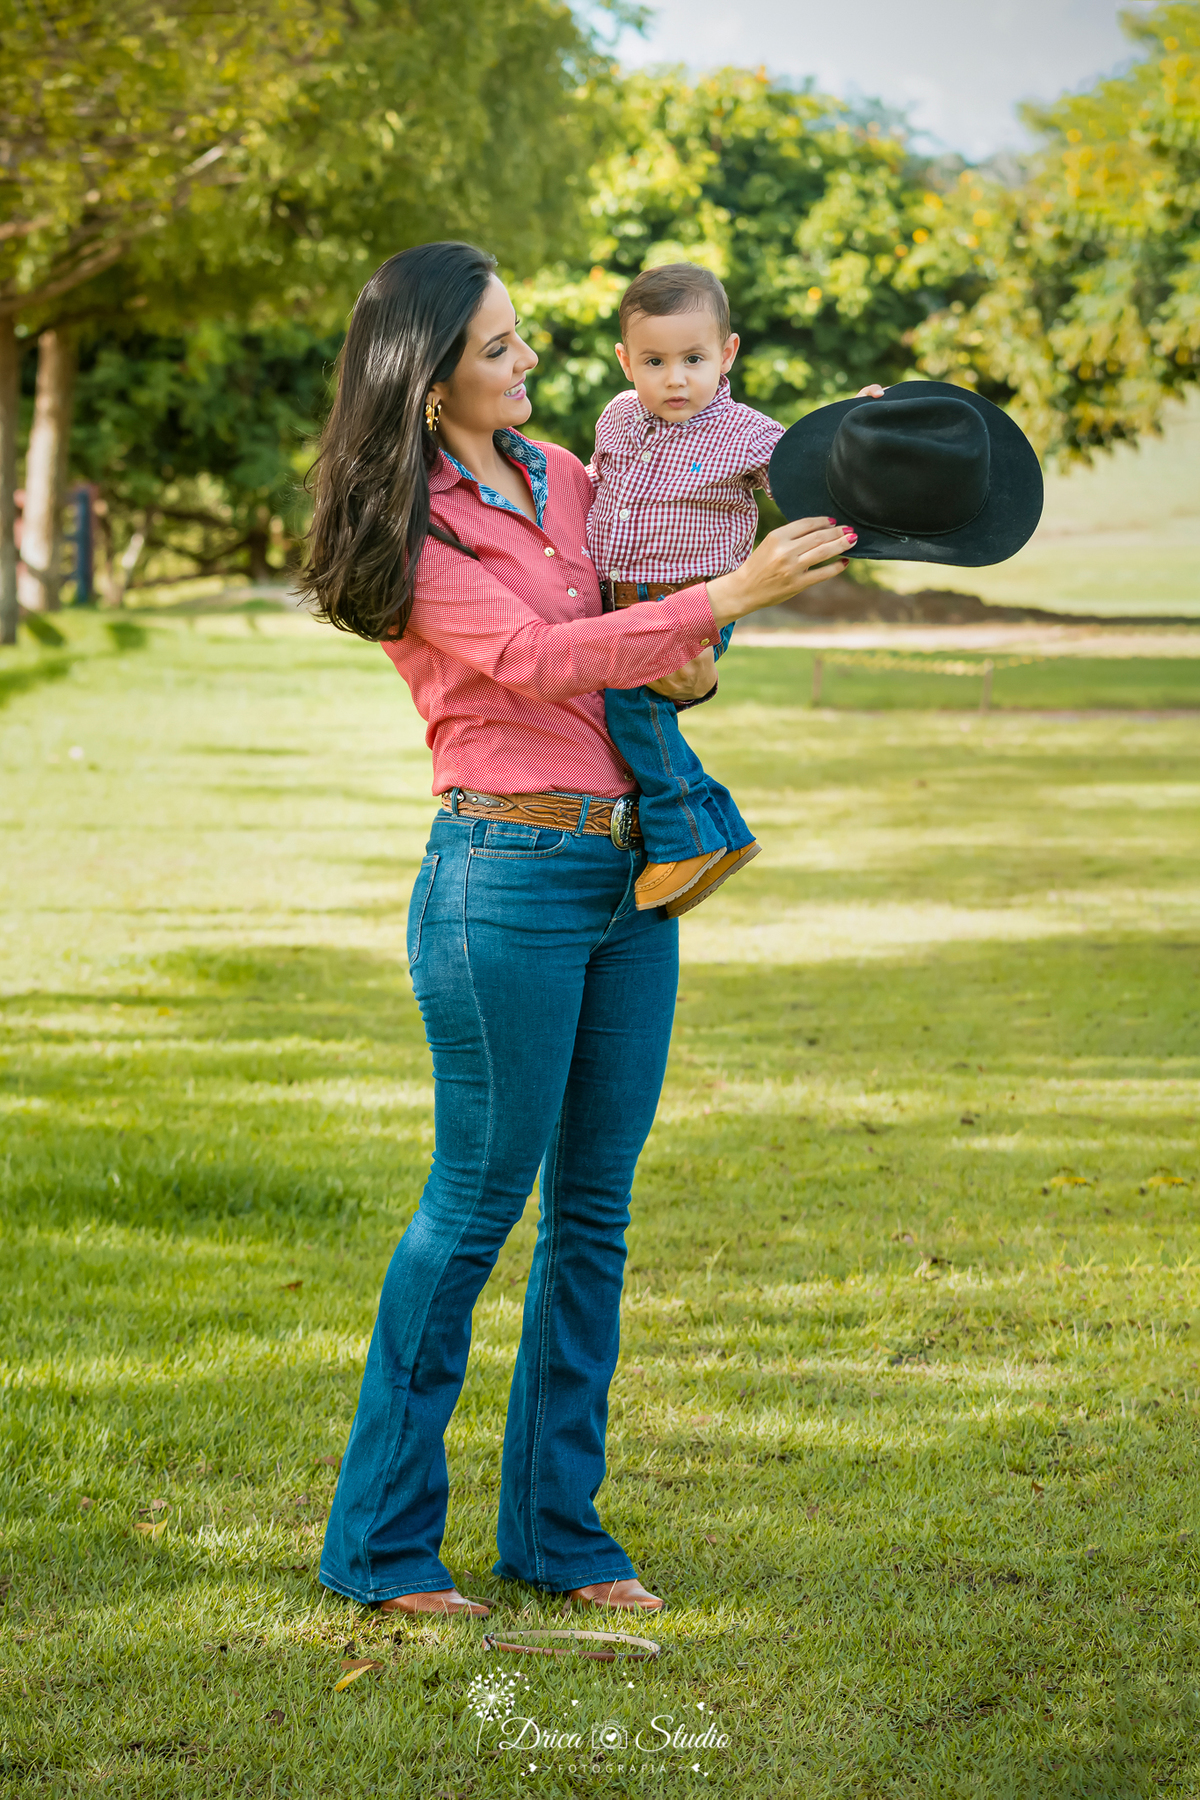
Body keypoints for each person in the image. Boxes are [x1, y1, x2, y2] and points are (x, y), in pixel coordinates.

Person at [298, 241, 853, 1620]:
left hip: (627, 880)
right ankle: (377, 1544)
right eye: (497, 348)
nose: (528, 360)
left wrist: (702, 652)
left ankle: (555, 1532)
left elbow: (631, 635)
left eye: (522, 336)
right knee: (477, 1208)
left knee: (593, 1214)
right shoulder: (411, 527)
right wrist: (720, 600)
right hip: (501, 877)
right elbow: (537, 661)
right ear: (427, 382)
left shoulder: (569, 478)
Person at [590, 262, 879, 917]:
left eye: (693, 359)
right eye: (654, 361)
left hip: (693, 601)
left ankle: (690, 840)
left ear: (727, 354)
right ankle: (717, 829)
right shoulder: (616, 419)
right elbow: (598, 482)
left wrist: (857, 431)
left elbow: (812, 478)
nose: (675, 378)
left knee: (634, 702)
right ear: (625, 361)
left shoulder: (746, 433)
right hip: (617, 599)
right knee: (626, 704)